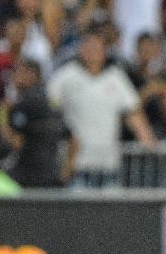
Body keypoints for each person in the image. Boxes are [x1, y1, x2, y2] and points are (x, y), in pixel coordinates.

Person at [46, 29, 156, 187]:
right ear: (81, 50)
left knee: (110, 210)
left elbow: (132, 111)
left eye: (97, 48)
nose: (93, 52)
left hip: (108, 165)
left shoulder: (115, 77)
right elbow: (48, 105)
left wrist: (145, 137)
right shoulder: (66, 76)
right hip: (77, 165)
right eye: (88, 47)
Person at [0, 59, 63, 187]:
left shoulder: (24, 103)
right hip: (52, 173)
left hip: (28, 175)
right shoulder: (50, 101)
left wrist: (2, 115)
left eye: (17, 72)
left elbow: (16, 142)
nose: (13, 76)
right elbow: (71, 138)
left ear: (31, 75)